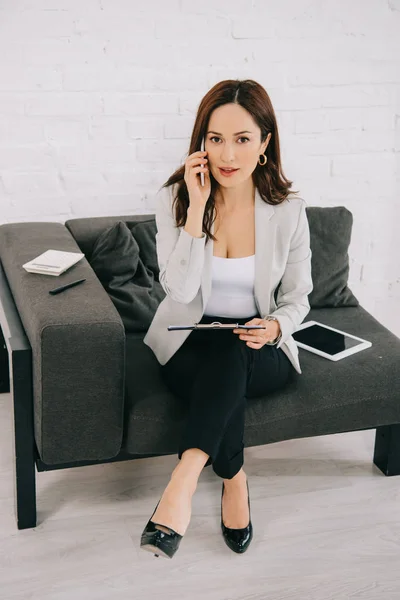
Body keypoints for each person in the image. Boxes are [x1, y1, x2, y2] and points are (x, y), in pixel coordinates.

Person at [140, 79, 313, 559]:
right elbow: (178, 292)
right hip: (188, 345)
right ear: (201, 142)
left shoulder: (289, 212)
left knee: (235, 349)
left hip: (261, 348)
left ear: (265, 143)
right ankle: (233, 479)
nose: (227, 154)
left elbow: (299, 298)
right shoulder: (174, 200)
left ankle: (183, 478)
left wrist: (276, 326)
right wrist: (195, 212)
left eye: (242, 138)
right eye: (215, 139)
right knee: (223, 355)